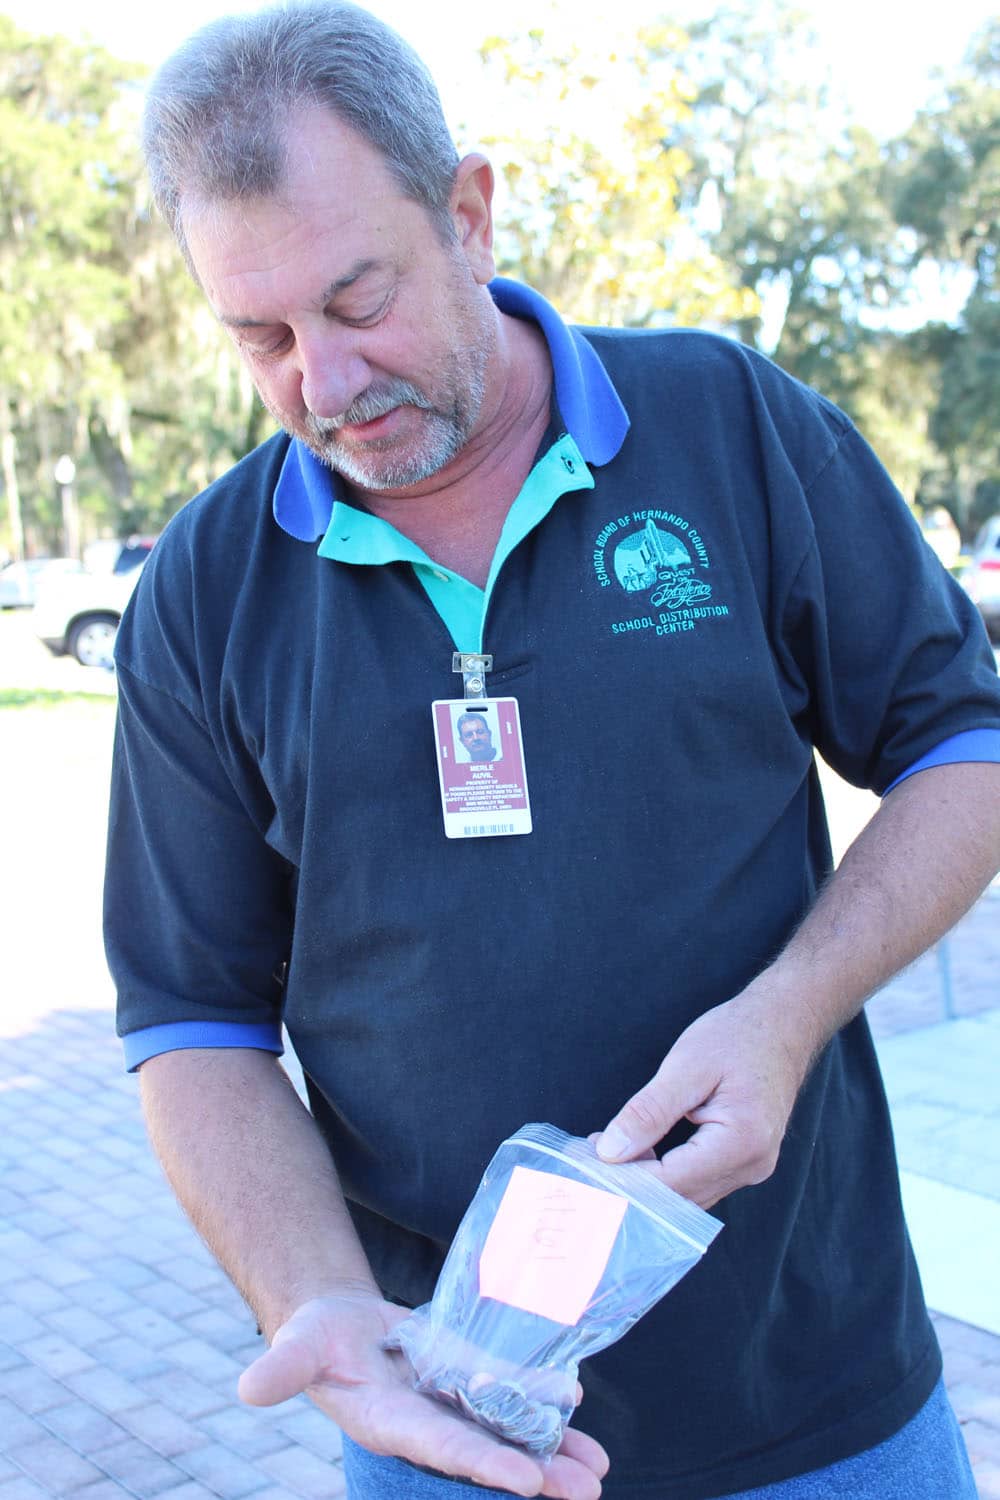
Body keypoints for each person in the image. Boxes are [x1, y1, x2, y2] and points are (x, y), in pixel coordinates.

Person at [104, 5, 1000, 1498]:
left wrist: (788, 1014)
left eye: (357, 299)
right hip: (445, 1431)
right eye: (259, 336)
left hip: (822, 1399)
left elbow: (964, 740)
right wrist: (311, 1298)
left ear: (467, 211)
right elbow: (192, 1015)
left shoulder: (727, 426)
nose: (322, 385)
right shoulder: (204, 590)